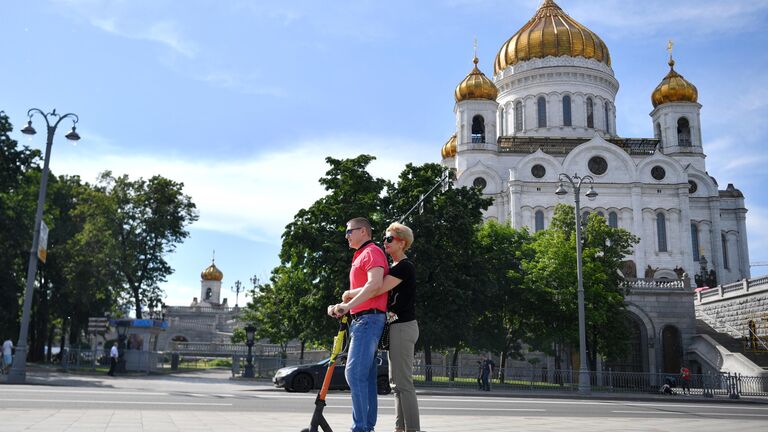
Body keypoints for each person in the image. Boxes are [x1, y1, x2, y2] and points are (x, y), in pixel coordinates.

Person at [335, 222, 421, 432]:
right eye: (384, 238)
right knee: (395, 384)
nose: (385, 242)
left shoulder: (404, 267)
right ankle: (400, 428)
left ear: (402, 243)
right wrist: (352, 294)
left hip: (403, 326)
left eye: (390, 239)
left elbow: (376, 288)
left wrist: (348, 296)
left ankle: (412, 429)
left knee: (403, 384)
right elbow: (375, 288)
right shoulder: (394, 268)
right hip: (396, 327)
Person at [327, 217, 388, 432]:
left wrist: (348, 305)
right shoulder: (361, 255)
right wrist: (342, 304)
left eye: (349, 231)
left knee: (353, 374)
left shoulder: (372, 252)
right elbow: (366, 289)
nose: (346, 236)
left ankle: (361, 428)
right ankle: (366, 427)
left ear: (363, 231)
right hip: (363, 320)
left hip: (368, 320)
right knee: (366, 377)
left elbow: (374, 285)